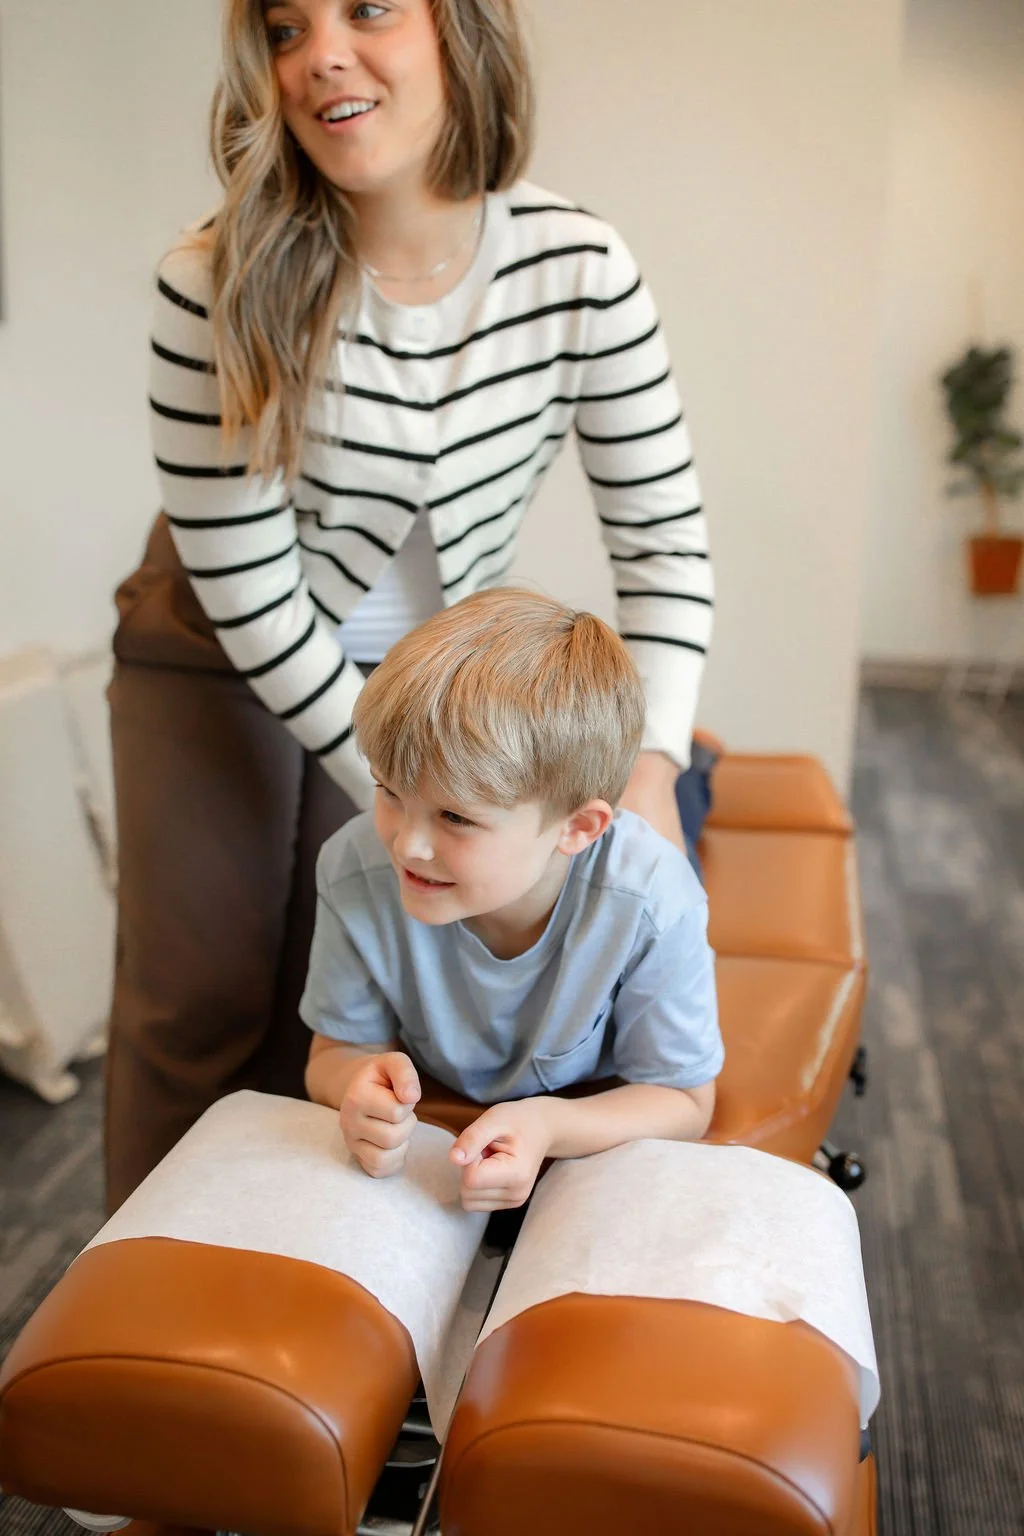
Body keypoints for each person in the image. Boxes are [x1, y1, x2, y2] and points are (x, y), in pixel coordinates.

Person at [105, 0, 714, 1213]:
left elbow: (662, 542)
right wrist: (406, 798)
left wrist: (648, 761)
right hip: (222, 648)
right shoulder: (209, 275)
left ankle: (312, 1324)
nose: (320, 52)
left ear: (461, 32)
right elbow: (251, 590)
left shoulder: (575, 264)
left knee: (332, 1019)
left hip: (438, 684)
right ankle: (142, 1321)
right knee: (209, 1000)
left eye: (369, 9)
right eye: (284, 27)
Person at [302, 588, 722, 1214]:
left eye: (454, 816)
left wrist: (550, 1124)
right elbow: (332, 1056)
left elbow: (686, 1100)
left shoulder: (653, 901)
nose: (408, 845)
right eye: (388, 792)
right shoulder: (353, 868)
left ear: (577, 829)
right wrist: (353, 1084)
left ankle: (699, 760)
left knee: (679, 810)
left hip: (618, 860)